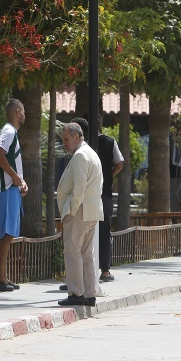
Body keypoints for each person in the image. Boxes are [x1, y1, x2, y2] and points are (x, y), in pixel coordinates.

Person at [56, 122, 104, 307]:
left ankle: (76, 292)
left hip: (80, 211)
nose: (64, 143)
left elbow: (79, 189)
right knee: (86, 253)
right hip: (91, 211)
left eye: (66, 139)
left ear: (77, 137)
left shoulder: (80, 156)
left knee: (72, 251)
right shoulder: (92, 154)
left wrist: (72, 211)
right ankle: (90, 293)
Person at [71, 117, 123, 282]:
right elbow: (120, 163)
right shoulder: (110, 142)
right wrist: (108, 176)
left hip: (86, 195)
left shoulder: (81, 148)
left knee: (82, 234)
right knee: (104, 230)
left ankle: (82, 274)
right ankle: (105, 271)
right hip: (104, 193)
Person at [0, 98, 28, 292]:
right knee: (6, 233)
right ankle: (0, 279)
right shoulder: (8, 131)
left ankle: (3, 277)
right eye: (22, 111)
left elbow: (10, 161)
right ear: (17, 112)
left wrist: (21, 182)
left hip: (11, 189)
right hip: (6, 190)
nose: (24, 115)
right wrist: (14, 178)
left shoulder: (11, 132)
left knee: (9, 233)